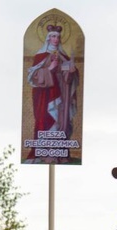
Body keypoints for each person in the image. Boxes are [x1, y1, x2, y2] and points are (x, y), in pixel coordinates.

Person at [25, 24, 79, 164]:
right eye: (53, 36)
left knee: (61, 122)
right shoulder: (40, 56)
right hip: (45, 96)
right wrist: (49, 69)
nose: (56, 39)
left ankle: (58, 154)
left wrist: (71, 71)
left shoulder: (63, 56)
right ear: (48, 38)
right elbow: (33, 77)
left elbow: (70, 78)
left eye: (58, 37)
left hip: (61, 95)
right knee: (45, 121)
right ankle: (44, 154)